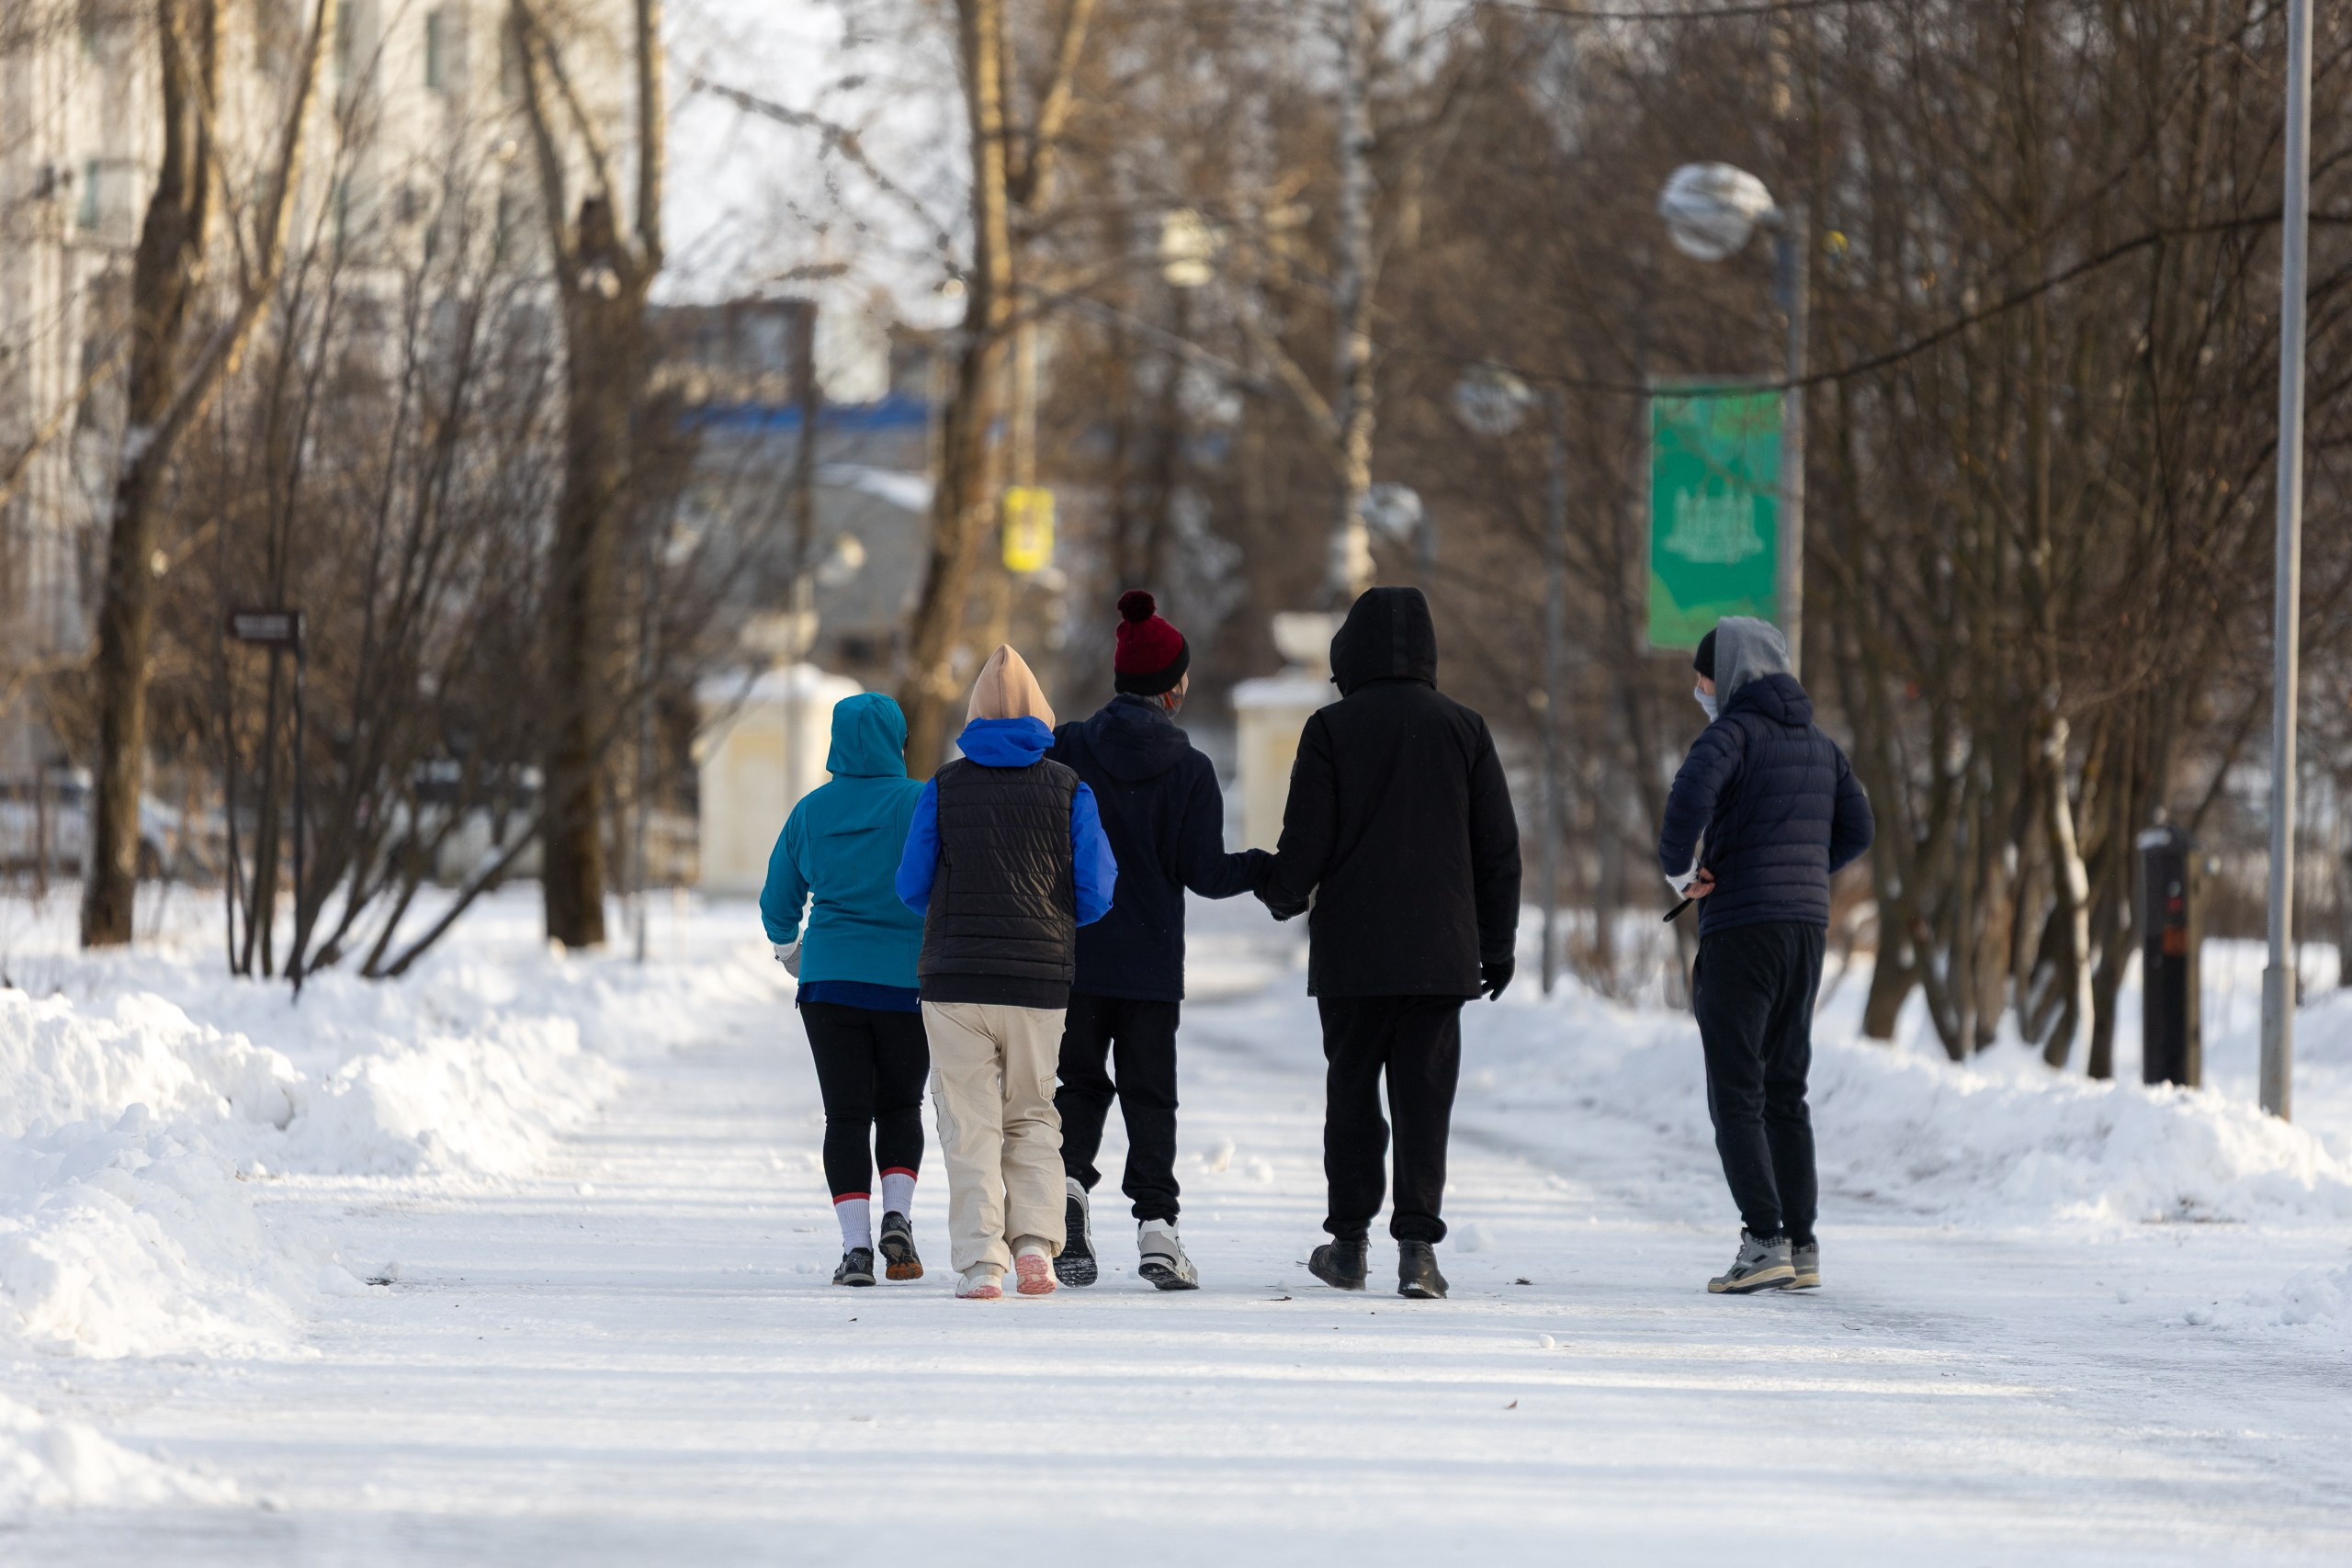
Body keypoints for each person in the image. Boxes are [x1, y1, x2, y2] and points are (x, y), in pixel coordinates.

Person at [1256, 586, 1521, 1301]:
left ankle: (1348, 1246)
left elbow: (1306, 841)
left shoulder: (1331, 728)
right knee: (1424, 1100)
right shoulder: (1465, 729)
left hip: (1354, 953)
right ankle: (1419, 1253)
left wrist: (1282, 893)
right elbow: (1498, 850)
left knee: (1351, 1094)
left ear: (1351, 651)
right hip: (1440, 952)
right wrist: (1497, 944)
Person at [1047, 591, 1269, 1292]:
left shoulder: (1068, 747)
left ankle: (1067, 1193)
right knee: (1150, 1096)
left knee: (1079, 1084)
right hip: (1149, 965)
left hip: (1076, 955)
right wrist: (1267, 869)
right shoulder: (1190, 769)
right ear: (1172, 688)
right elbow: (1204, 874)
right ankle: (1157, 1230)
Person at [1658, 616, 1873, 1295]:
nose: (1699, 689)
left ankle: (1762, 1239)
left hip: (1742, 930)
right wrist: (1803, 871)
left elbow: (1686, 803)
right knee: (1785, 1087)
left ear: (1728, 675)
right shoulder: (1820, 745)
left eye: (1703, 677)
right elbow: (1859, 828)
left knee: (1737, 1087)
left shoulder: (1731, 735)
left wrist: (1682, 875)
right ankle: (1801, 1244)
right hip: (1805, 929)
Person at [896, 645, 1118, 1300]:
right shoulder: (1071, 788)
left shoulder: (943, 786)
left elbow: (911, 884)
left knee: (968, 1122)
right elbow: (1098, 889)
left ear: (973, 719)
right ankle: (1035, 1247)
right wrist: (1050, 924)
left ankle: (980, 1262)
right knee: (1032, 1114)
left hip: (954, 982)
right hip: (1038, 984)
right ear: (1041, 715)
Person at [760, 693, 932, 1288]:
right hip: (907, 982)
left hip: (830, 983)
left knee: (846, 1115)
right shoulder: (921, 802)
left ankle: (857, 1249)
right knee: (901, 1106)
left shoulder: (811, 811)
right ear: (898, 741)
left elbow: (777, 901)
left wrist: (793, 954)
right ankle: (897, 1216)